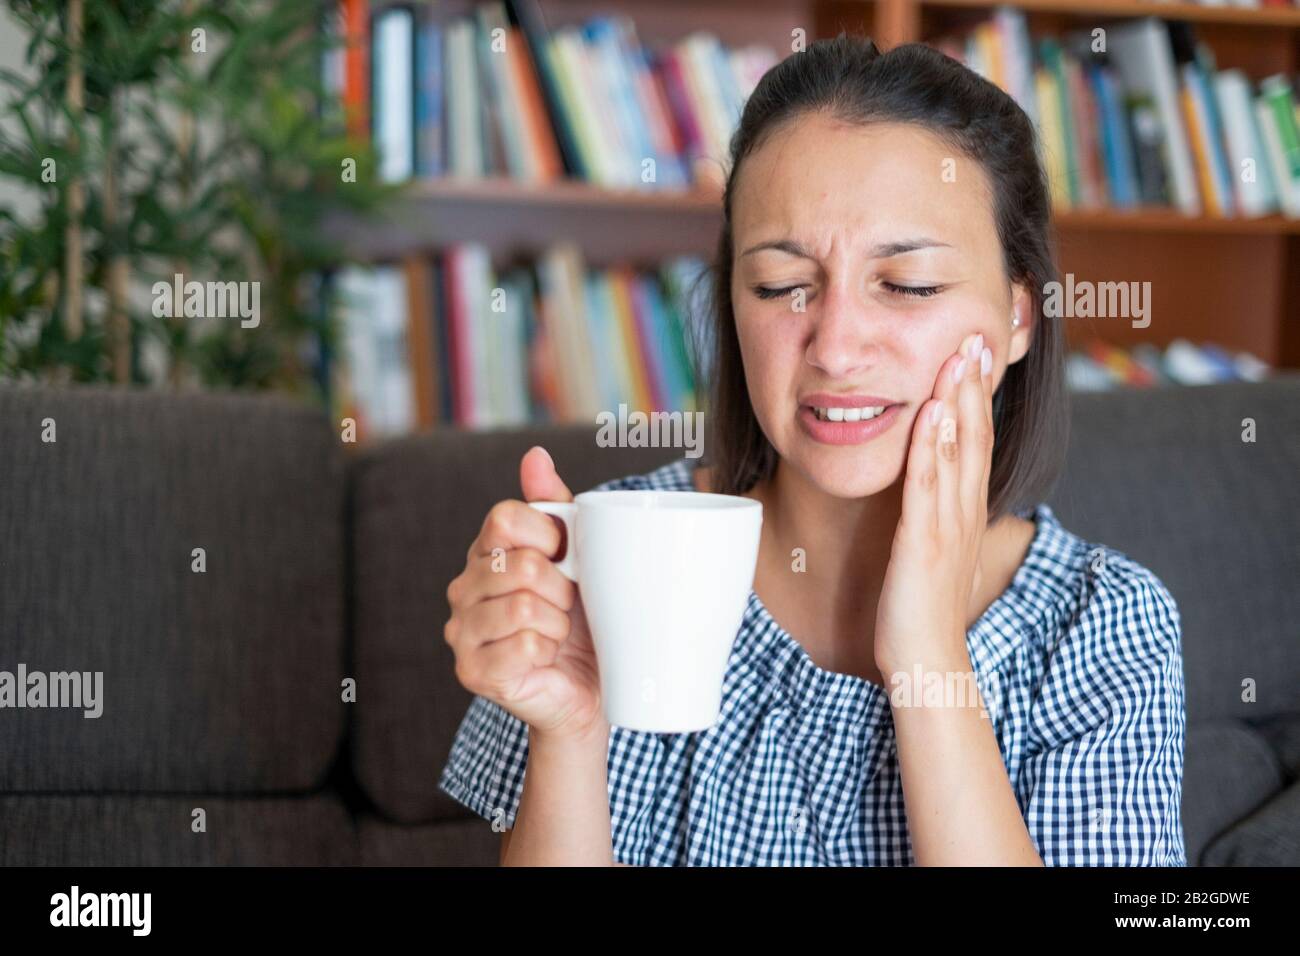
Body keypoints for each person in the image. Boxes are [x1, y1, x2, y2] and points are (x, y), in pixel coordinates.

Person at [438, 36, 1187, 866]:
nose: (834, 346)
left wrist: (927, 653)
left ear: (1017, 317)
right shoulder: (612, 554)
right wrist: (570, 730)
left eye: (908, 285)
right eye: (779, 286)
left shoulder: (1105, 626)